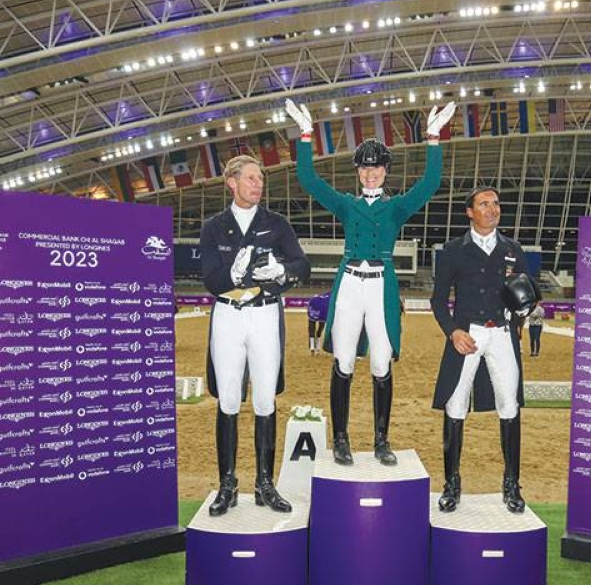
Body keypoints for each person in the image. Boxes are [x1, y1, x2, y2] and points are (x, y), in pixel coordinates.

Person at [285, 98, 456, 466]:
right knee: (344, 359)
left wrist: (432, 138)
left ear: (385, 170)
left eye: (376, 167)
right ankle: (342, 438)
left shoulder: (396, 208)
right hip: (349, 284)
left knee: (381, 362)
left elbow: (430, 183)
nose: (370, 173)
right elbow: (309, 180)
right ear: (358, 172)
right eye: (364, 168)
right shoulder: (347, 205)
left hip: (381, 284)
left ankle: (381, 439)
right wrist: (305, 134)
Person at [200, 154, 311, 516]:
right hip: (228, 317)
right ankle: (227, 483)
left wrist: (281, 271)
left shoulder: (276, 224)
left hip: (264, 316)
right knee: (228, 400)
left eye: (260, 178)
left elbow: (302, 265)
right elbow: (209, 279)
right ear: (231, 182)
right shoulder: (214, 226)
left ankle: (265, 483)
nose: (258, 184)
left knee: (265, 400)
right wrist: (232, 277)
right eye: (250, 178)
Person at [431, 187, 539, 514]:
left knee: (510, 405)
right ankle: (452, 482)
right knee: (455, 403)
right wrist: (453, 332)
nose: (492, 209)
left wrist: (523, 312)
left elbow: (525, 295)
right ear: (469, 212)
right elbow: (438, 300)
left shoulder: (512, 249)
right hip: (468, 334)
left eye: (495, 204)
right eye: (483, 204)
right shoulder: (452, 251)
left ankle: (511, 484)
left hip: (502, 334)